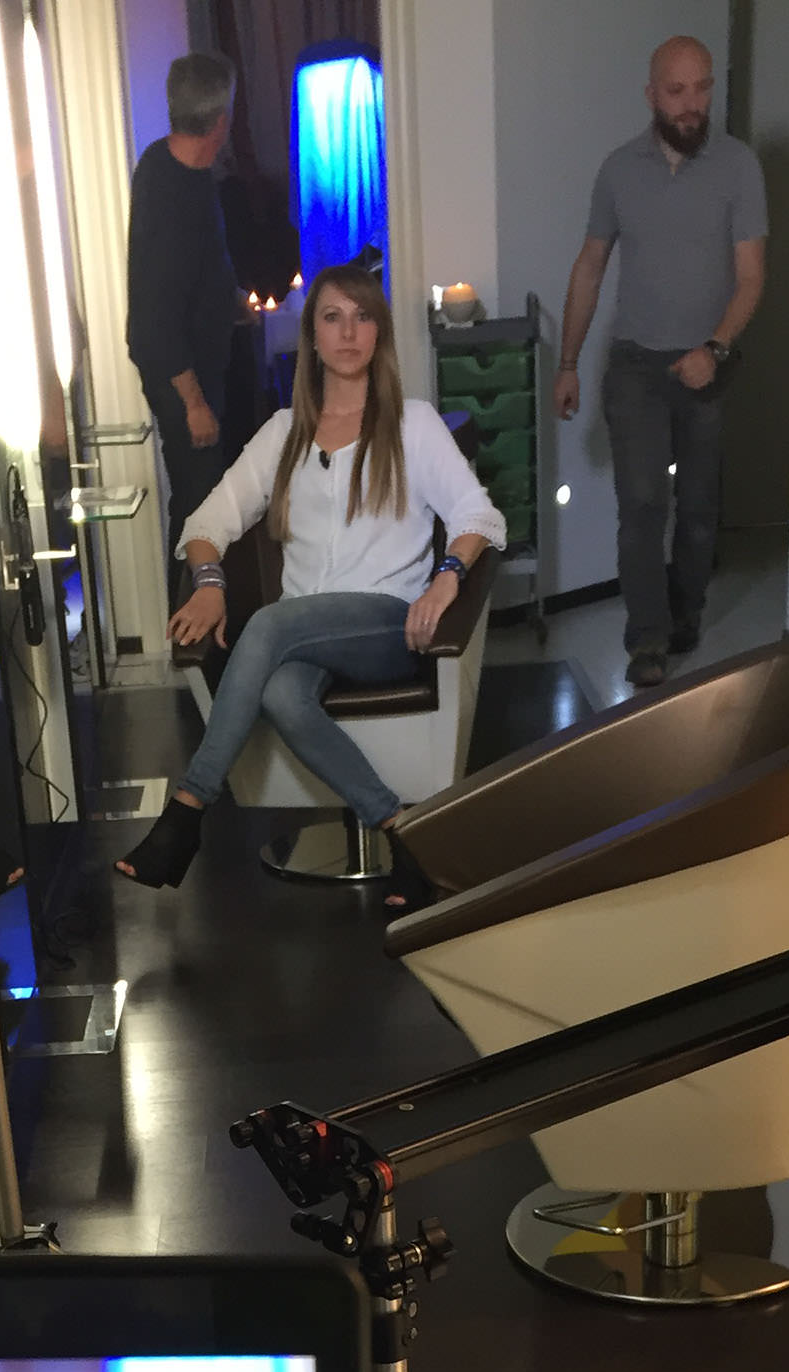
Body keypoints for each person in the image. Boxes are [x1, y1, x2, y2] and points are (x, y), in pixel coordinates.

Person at [115, 264, 504, 911]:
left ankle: (186, 811)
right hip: (300, 635)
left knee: (269, 624)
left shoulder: (412, 424)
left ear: (378, 333)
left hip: (387, 624)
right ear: (313, 337)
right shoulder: (283, 432)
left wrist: (446, 578)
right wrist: (209, 582)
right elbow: (206, 524)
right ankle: (403, 836)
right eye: (332, 317)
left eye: (362, 317)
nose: (348, 332)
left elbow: (480, 516)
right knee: (280, 692)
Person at [554, 36, 767, 691]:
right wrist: (568, 362)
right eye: (676, 91)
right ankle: (647, 639)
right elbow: (590, 267)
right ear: (652, 95)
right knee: (643, 504)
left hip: (710, 366)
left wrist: (716, 348)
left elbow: (752, 276)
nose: (691, 103)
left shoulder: (739, 166)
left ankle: (686, 614)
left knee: (699, 510)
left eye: (702, 88)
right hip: (636, 367)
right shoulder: (619, 170)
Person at [126, 52, 246, 600]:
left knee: (204, 500)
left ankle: (198, 624)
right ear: (220, 118)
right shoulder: (171, 191)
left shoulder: (175, 166)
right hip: (183, 378)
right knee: (201, 508)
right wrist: (193, 402)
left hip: (199, 366)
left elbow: (191, 273)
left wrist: (228, 296)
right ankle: (191, 627)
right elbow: (155, 317)